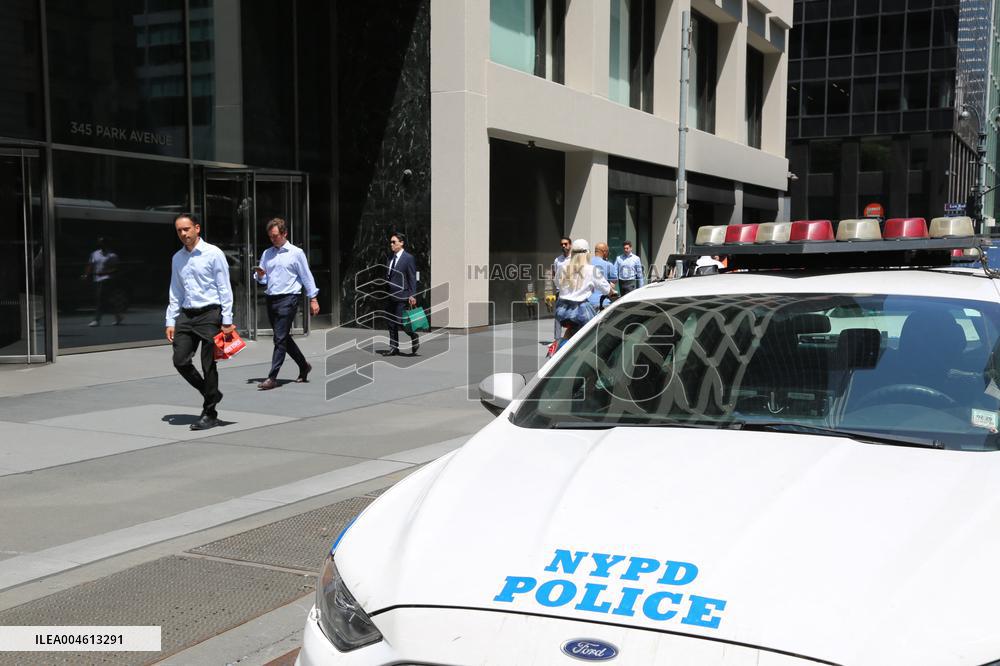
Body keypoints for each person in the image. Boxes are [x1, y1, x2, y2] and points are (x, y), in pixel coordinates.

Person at [165, 213, 235, 431]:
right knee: (180, 360)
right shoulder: (177, 258)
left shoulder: (213, 254)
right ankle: (211, 392)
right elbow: (175, 290)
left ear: (197, 228)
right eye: (179, 230)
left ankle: (210, 413)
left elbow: (225, 287)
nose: (183, 234)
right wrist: (170, 320)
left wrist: (227, 319)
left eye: (186, 229)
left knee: (208, 364)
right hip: (186, 315)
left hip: (210, 314)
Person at [253, 218, 320, 390]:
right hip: (271, 298)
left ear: (284, 233)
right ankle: (304, 366)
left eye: (275, 236)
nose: (273, 239)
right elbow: (263, 280)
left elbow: (306, 276)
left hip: (289, 298)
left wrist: (313, 298)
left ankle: (272, 377)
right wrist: (260, 275)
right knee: (283, 337)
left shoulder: (296, 253)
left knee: (279, 338)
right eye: (270, 237)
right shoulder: (267, 253)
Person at [554, 239, 611, 341]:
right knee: (593, 335)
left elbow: (557, 283)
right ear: (587, 253)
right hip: (580, 311)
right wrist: (612, 292)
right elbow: (606, 289)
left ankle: (559, 349)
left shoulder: (562, 267)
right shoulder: (591, 269)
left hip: (562, 310)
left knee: (570, 333)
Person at [382, 231, 419, 356]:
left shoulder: (408, 258)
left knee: (401, 322)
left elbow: (412, 278)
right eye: (390, 242)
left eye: (394, 242)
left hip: (402, 295)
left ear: (401, 243)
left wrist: (412, 294)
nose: (391, 244)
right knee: (390, 323)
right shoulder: (390, 257)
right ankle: (394, 347)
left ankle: (413, 336)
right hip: (389, 295)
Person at [82, 236, 122, 326]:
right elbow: (90, 265)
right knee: (106, 299)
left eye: (103, 243)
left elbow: (116, 269)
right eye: (100, 243)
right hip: (96, 279)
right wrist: (86, 275)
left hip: (107, 279)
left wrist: (104, 273)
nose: (101, 245)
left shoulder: (112, 255)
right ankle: (118, 316)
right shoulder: (94, 254)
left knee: (100, 298)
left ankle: (97, 320)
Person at [550, 236, 572, 340]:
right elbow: (554, 274)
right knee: (558, 316)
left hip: (573, 292)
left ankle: (572, 338)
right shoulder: (557, 260)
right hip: (561, 292)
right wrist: (557, 286)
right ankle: (557, 339)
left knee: (573, 316)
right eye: (562, 244)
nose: (563, 246)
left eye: (565, 244)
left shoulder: (574, 259)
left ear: (570, 245)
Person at [589, 241, 618, 310]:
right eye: (607, 252)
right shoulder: (608, 265)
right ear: (604, 252)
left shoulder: (586, 263)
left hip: (587, 302)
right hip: (603, 302)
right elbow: (613, 282)